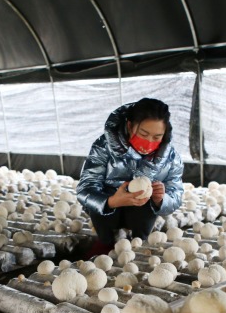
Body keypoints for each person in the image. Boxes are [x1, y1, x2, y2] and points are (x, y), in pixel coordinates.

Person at [77, 98, 184, 256]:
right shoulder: (104, 146)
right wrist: (112, 201)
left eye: (157, 137)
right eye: (143, 134)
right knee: (102, 198)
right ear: (129, 126)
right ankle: (105, 243)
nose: (149, 142)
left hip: (141, 216)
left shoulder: (170, 157)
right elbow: (85, 189)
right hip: (108, 215)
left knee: (146, 199)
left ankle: (139, 244)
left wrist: (161, 199)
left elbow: (176, 194)